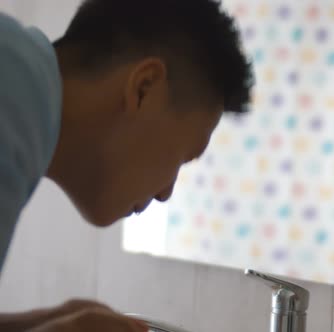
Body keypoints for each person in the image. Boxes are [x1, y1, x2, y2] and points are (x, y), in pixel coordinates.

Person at [0, 0, 253, 331]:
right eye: (182, 158)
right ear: (144, 88)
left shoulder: (18, 75)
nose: (166, 193)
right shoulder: (14, 110)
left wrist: (42, 324)